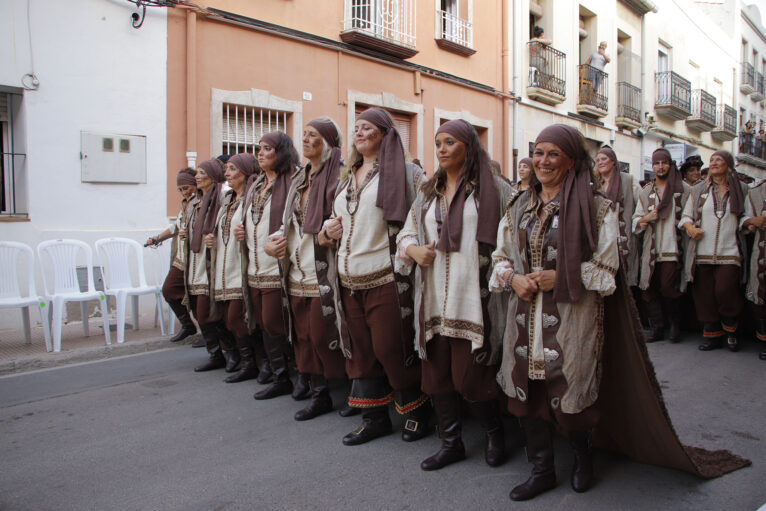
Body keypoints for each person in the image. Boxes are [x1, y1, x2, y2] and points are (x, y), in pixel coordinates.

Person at [491, 124, 619, 499]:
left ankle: (582, 458)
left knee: (571, 397)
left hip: (573, 320)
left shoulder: (598, 207)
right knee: (527, 395)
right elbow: (499, 258)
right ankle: (542, 469)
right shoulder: (518, 205)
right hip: (523, 317)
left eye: (553, 154)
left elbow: (607, 272)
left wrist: (561, 276)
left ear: (571, 161)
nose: (543, 162)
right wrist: (512, 277)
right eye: (539, 152)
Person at [397, 119, 513, 470]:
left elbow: (512, 239)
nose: (442, 148)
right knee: (437, 377)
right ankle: (451, 443)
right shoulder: (427, 192)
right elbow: (407, 233)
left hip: (474, 298)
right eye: (438, 143)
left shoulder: (495, 189)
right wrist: (414, 252)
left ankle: (495, 435)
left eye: (450, 142)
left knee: (473, 376)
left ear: (468, 146)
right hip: (433, 297)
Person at [321, 108, 430, 443]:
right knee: (361, 352)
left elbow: (425, 216)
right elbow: (334, 221)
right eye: (356, 128)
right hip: (347, 278)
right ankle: (374, 418)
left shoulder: (407, 173)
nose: (359, 133)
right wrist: (327, 232)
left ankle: (416, 412)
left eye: (368, 127)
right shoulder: (345, 175)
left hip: (385, 276)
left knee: (391, 349)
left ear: (385, 134)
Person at [236, 132, 296, 399]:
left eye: (267, 149)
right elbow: (251, 218)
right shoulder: (256, 183)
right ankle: (277, 372)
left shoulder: (291, 181)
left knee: (274, 323)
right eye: (258, 149)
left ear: (280, 152)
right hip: (254, 267)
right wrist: (243, 231)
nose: (260, 154)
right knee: (262, 322)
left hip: (276, 267)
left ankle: (292, 374)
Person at [681, 151, 748, 352]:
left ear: (729, 164)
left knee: (725, 291)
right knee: (704, 295)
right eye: (712, 160)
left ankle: (731, 330)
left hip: (730, 251)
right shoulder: (698, 189)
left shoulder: (742, 189)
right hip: (702, 252)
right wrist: (691, 228)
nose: (714, 163)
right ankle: (712, 335)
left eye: (719, 160)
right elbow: (685, 216)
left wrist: (750, 222)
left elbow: (746, 217)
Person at [205, 152, 263, 383]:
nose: (226, 173)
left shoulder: (251, 198)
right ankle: (249, 361)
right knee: (230, 319)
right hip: (224, 265)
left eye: (232, 169)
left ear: (246, 172)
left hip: (240, 266)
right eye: (226, 169)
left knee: (237, 319)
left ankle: (255, 363)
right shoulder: (227, 199)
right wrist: (212, 239)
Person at [633, 149, 690, 342]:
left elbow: (690, 216)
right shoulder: (647, 191)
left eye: (664, 163)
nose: (660, 167)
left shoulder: (682, 189)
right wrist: (646, 218)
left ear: (670, 164)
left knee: (668, 287)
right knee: (648, 288)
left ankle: (675, 325)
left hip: (672, 247)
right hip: (651, 248)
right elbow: (636, 220)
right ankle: (657, 328)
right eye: (656, 163)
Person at [188, 159, 237, 373]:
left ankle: (232, 352)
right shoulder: (197, 200)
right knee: (201, 312)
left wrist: (213, 238)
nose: (197, 177)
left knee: (208, 312)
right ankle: (216, 353)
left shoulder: (221, 198)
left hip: (213, 263)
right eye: (196, 173)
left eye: (201, 173)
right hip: (196, 262)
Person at [146, 168, 200, 344]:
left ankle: (211, 337)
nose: (185, 192)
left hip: (196, 257)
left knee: (199, 299)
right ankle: (187, 325)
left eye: (187, 187)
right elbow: (175, 227)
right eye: (181, 189)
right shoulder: (185, 204)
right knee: (169, 290)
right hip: (181, 257)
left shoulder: (201, 201)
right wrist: (156, 239)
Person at [596, 147, 641, 287]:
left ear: (613, 161)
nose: (600, 162)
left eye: (604, 159)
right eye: (597, 160)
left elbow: (642, 204)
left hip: (623, 237)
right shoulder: (597, 184)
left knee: (625, 281)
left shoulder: (628, 180)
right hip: (603, 239)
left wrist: (639, 220)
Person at [743, 178, 766, 360]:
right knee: (760, 294)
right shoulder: (756, 190)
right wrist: (752, 222)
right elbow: (745, 218)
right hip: (761, 251)